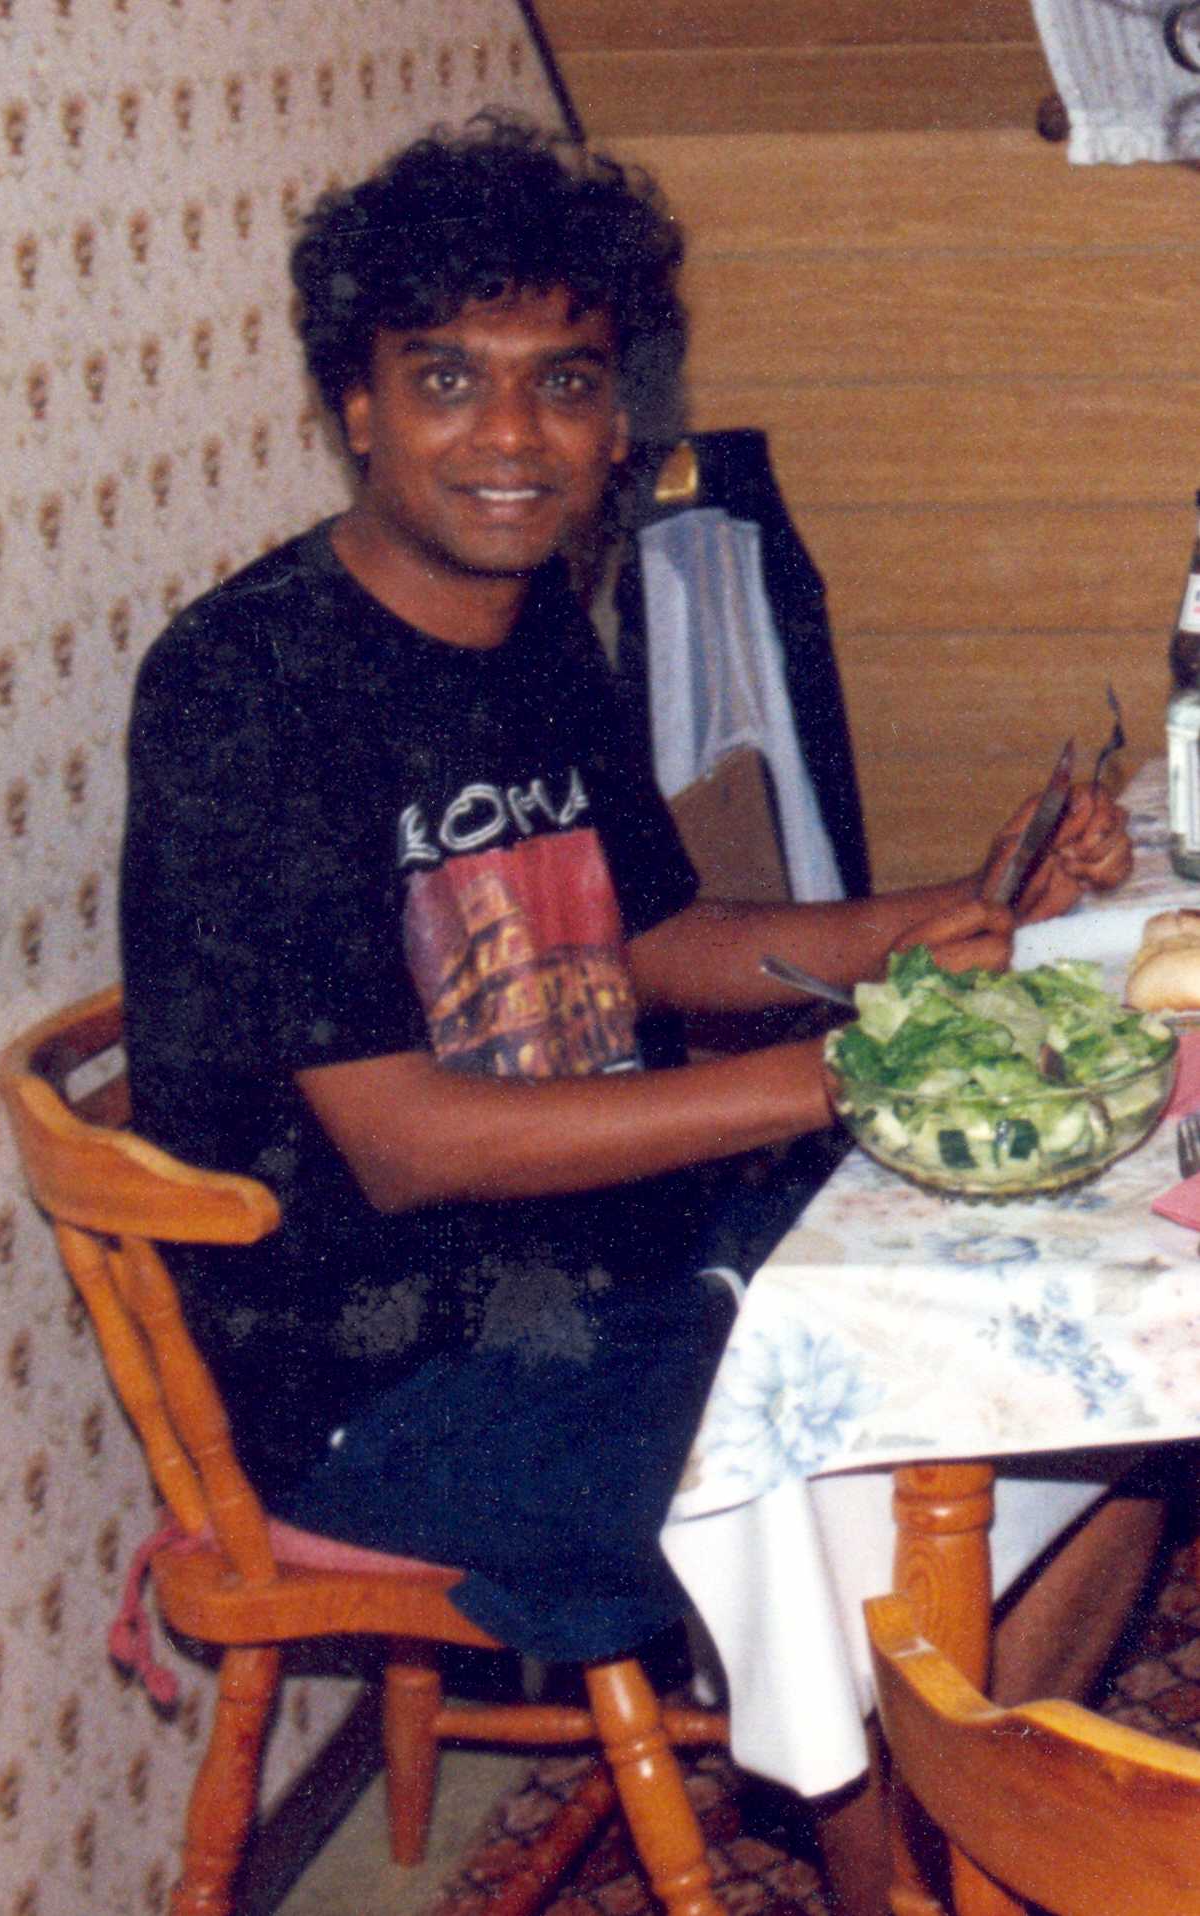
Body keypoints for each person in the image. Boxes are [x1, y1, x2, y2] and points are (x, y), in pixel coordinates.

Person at [119, 115, 1154, 1912]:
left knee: (1090, 1369)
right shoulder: (244, 690)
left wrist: (949, 917)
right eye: (450, 378)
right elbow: (410, 1145)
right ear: (356, 404)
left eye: (566, 383)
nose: (512, 437)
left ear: (616, 420)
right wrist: (847, 1073)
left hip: (609, 1261)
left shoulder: (533, 622)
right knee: (879, 1476)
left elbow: (657, 943)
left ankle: (965, 1827)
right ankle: (916, 1846)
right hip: (382, 1381)